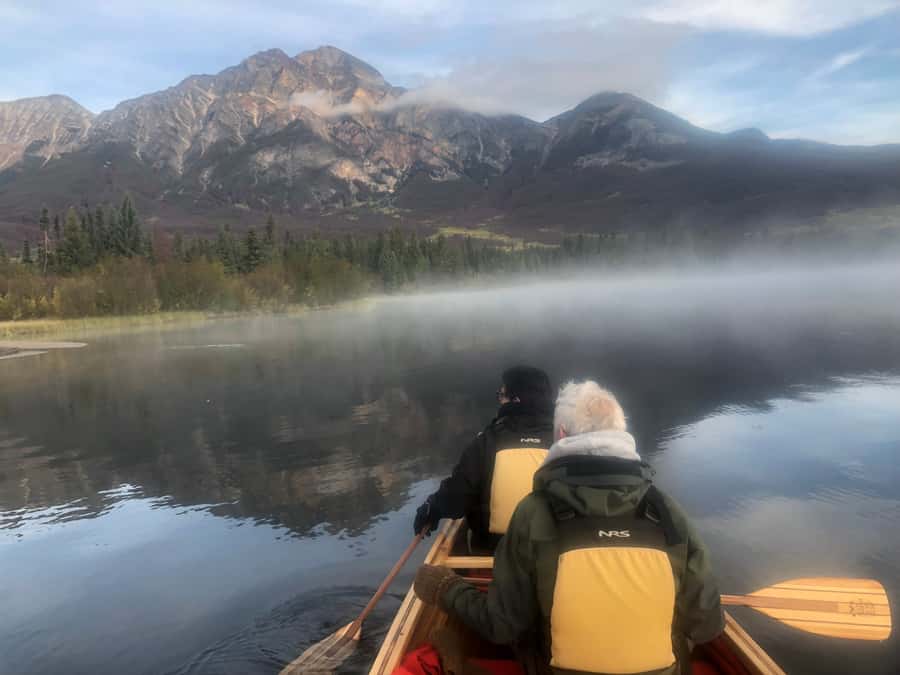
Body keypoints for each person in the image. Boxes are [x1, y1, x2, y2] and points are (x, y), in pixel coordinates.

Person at [413, 380, 725, 675]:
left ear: (560, 434)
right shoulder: (668, 511)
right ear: (621, 431)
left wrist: (446, 588)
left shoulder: (533, 512)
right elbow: (707, 626)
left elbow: (502, 625)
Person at [414, 365, 555, 552]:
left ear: (515, 400)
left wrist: (431, 508)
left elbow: (457, 498)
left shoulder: (486, 442)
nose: (499, 400)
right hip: (551, 552)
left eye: (501, 395)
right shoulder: (565, 441)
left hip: (495, 549)